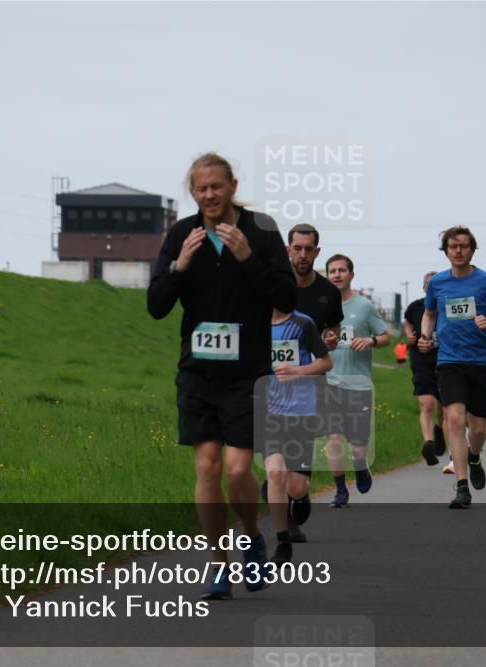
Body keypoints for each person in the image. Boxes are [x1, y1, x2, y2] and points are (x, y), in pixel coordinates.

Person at [147, 152, 296, 600]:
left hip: (247, 373)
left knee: (237, 470)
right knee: (207, 467)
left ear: (233, 186)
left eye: (217, 186)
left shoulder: (261, 231)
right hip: (197, 373)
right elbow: (156, 306)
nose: (210, 194)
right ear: (192, 192)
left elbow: (286, 297)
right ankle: (217, 564)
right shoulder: (182, 234)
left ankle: (250, 535)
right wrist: (178, 267)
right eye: (201, 188)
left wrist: (248, 258)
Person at [418, 226, 486, 509]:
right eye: (453, 246)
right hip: (449, 361)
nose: (458, 251)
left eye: (463, 246)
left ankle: (475, 455)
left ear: (472, 250)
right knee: (455, 420)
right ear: (446, 251)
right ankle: (462, 487)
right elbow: (429, 313)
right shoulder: (438, 282)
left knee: (479, 429)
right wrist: (425, 336)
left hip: (481, 362)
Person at [278, 223, 344, 543]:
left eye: (308, 249)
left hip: (309, 385)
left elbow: (334, 330)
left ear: (317, 252)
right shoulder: (272, 286)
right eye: (297, 248)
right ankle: (284, 520)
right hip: (272, 384)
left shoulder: (328, 292)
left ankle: (298, 493)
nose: (302, 255)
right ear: (287, 249)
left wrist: (331, 338)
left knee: (297, 477)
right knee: (275, 458)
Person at [263, 307, 332, 565]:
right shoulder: (253, 320)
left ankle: (300, 496)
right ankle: (282, 541)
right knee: (275, 473)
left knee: (296, 486)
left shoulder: (303, 323)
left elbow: (326, 362)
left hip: (301, 411)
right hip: (267, 411)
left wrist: (297, 372)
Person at [324, 254, 389, 508]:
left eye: (342, 270)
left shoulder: (364, 306)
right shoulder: (320, 306)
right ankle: (340, 490)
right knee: (334, 440)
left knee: (358, 448)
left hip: (358, 385)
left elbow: (385, 337)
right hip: (330, 383)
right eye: (332, 271)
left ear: (351, 275)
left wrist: (370, 341)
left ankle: (360, 465)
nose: (337, 275)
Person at [403, 271, 447, 468]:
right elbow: (407, 321)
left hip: (445, 360)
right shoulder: (415, 306)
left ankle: (439, 429)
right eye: (428, 283)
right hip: (421, 360)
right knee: (426, 404)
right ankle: (428, 444)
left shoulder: (446, 306)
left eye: (435, 283)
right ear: (423, 287)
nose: (431, 286)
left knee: (443, 406)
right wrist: (409, 335)